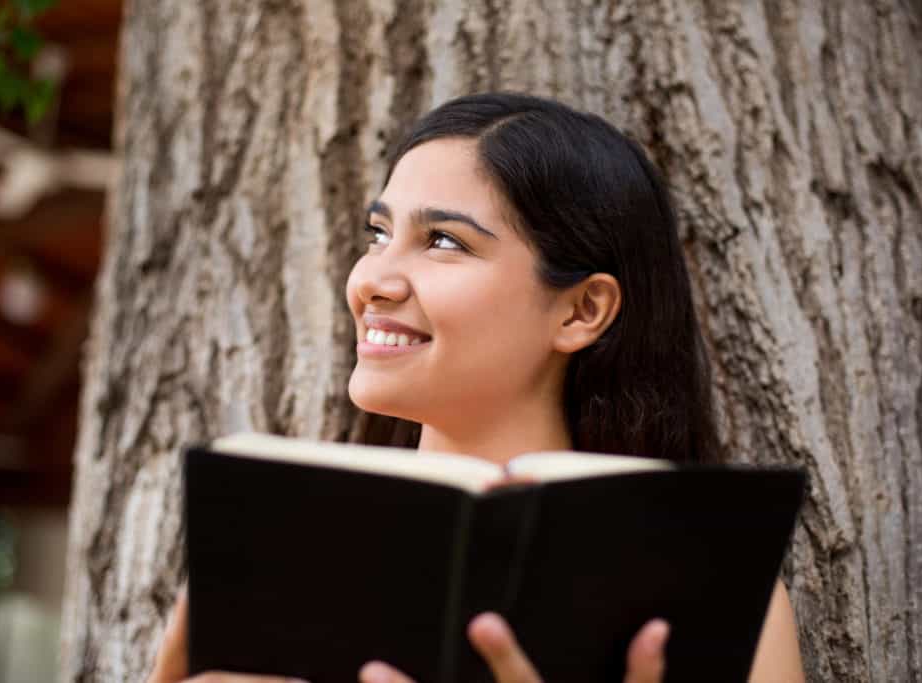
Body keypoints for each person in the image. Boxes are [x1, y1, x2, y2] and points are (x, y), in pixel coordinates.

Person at [149, 93, 805, 683]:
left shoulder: (714, 597)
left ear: (582, 310)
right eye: (378, 234)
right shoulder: (278, 563)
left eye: (442, 241)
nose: (373, 279)